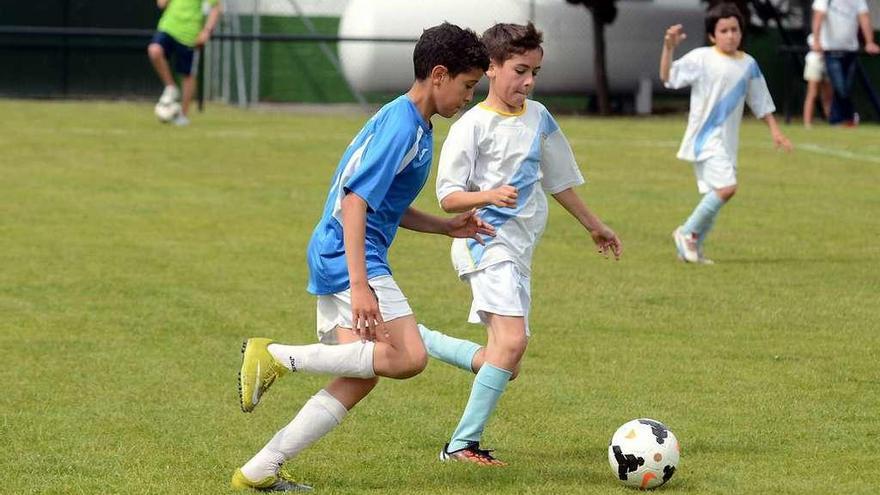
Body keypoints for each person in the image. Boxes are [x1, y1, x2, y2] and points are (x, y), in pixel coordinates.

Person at [230, 23, 492, 491]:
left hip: (339, 250)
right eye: (468, 85)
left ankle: (260, 469)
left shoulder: (416, 123)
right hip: (348, 254)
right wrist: (360, 284)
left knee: (360, 375)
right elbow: (355, 202)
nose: (469, 97)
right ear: (438, 74)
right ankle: (275, 356)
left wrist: (445, 226)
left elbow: (385, 204)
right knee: (409, 356)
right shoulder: (402, 125)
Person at [417, 22, 622, 466]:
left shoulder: (539, 117)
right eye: (520, 70)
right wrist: (487, 195)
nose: (528, 82)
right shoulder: (471, 126)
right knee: (509, 346)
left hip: (519, 250)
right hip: (484, 243)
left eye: (535, 73)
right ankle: (461, 446)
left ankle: (415, 338)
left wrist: (594, 224)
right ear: (491, 68)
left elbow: (559, 180)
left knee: (506, 362)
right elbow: (448, 196)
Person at [660, 3, 793, 264]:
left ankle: (692, 250)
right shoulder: (702, 58)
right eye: (724, 30)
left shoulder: (749, 64)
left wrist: (776, 131)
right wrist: (668, 47)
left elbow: (761, 101)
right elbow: (668, 77)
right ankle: (685, 232)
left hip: (728, 143)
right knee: (727, 188)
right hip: (704, 140)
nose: (730, 35)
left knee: (717, 193)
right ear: (713, 35)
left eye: (735, 29)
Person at [147, 0, 221, 126]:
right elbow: (161, 4)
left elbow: (216, 7)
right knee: (154, 50)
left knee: (187, 74)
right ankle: (171, 87)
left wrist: (206, 31)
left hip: (190, 34)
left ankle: (182, 115)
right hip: (168, 27)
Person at [811, 0, 880, 126]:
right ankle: (848, 117)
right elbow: (818, 17)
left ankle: (837, 119)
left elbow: (864, 18)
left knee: (846, 88)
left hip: (850, 50)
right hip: (831, 50)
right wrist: (816, 40)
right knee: (840, 87)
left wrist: (869, 41)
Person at [802, 34, 834, 128]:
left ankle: (831, 121)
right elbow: (815, 46)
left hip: (829, 62)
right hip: (815, 61)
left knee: (828, 95)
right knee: (812, 93)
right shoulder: (814, 35)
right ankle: (807, 123)